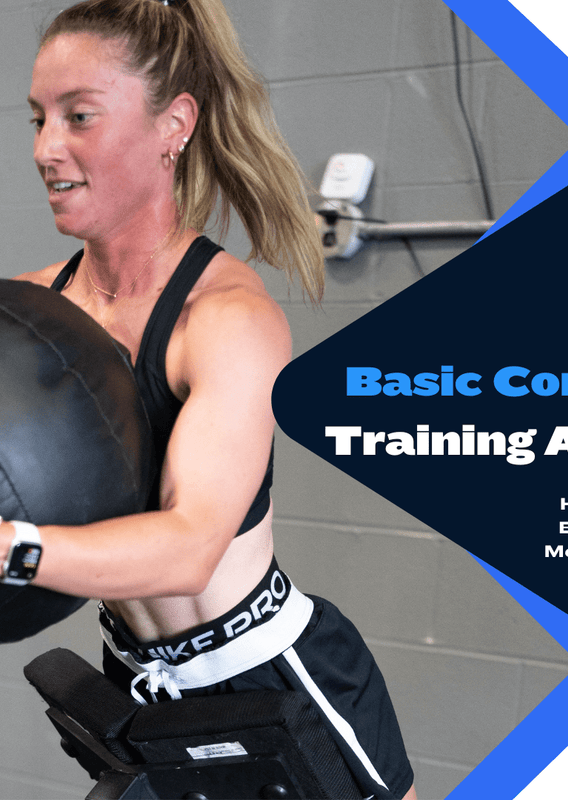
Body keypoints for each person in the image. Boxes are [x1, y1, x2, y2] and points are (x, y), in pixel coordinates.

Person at [0, 1, 416, 797]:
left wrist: (13, 549)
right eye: (38, 119)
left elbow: (191, 544)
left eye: (79, 116)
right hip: (136, 680)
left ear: (174, 125)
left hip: (271, 679)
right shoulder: (29, 313)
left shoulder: (224, 319)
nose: (46, 148)